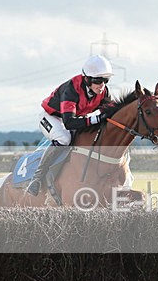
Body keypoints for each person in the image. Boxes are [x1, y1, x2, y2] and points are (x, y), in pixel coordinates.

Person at [26, 54, 114, 195]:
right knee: (64, 139)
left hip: (73, 118)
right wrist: (96, 119)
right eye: (98, 81)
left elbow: (111, 111)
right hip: (51, 117)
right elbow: (69, 123)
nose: (102, 85)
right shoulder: (71, 90)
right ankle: (37, 178)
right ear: (87, 79)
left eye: (105, 80)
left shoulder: (103, 92)